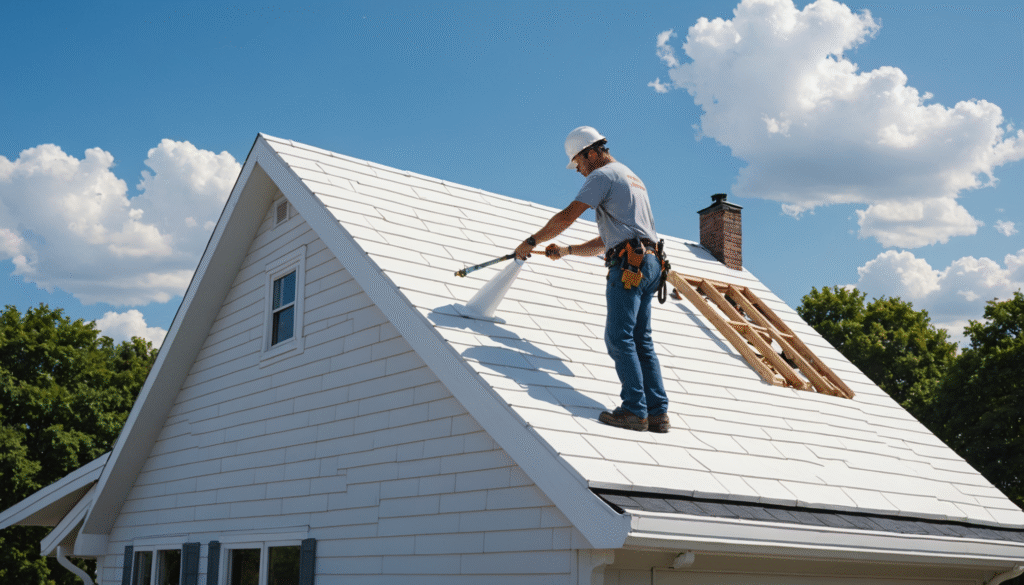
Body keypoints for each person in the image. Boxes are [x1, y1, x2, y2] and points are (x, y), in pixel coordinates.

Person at [514, 126, 669, 433]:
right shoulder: (631, 178)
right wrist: (569, 251)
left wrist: (530, 241)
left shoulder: (602, 176)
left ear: (592, 152)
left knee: (618, 338)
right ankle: (657, 413)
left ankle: (634, 411)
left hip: (629, 266)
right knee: (641, 341)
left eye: (579, 163)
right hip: (649, 265)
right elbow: (606, 240)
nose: (579, 171)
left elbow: (566, 216)